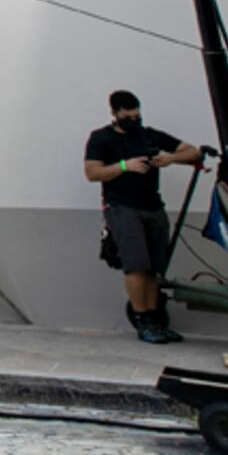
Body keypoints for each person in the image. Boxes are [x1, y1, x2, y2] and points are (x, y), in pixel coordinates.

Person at [85, 89, 203, 345]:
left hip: (153, 206)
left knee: (153, 267)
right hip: (122, 208)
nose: (134, 120)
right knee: (137, 264)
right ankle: (142, 318)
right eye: (128, 115)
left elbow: (192, 152)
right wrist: (126, 166)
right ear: (115, 113)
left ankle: (155, 318)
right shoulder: (101, 138)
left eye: (138, 115)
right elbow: (93, 173)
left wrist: (170, 158)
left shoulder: (150, 135)